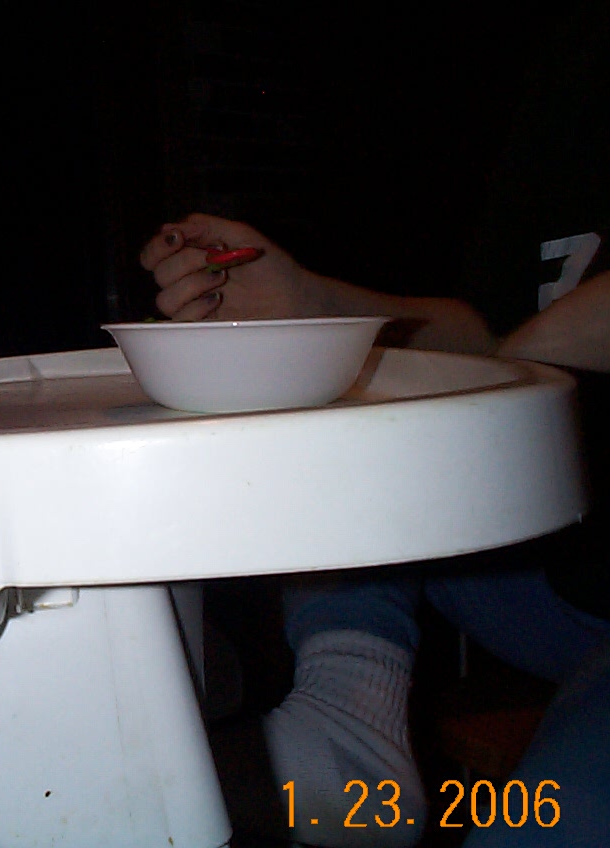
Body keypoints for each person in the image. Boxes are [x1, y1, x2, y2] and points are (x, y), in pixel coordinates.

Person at [140, 213, 610, 848]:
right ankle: (349, 708)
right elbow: (490, 334)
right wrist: (312, 306)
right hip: (536, 569)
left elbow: (518, 351)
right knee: (324, 400)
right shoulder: (547, 155)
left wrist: (508, 370)